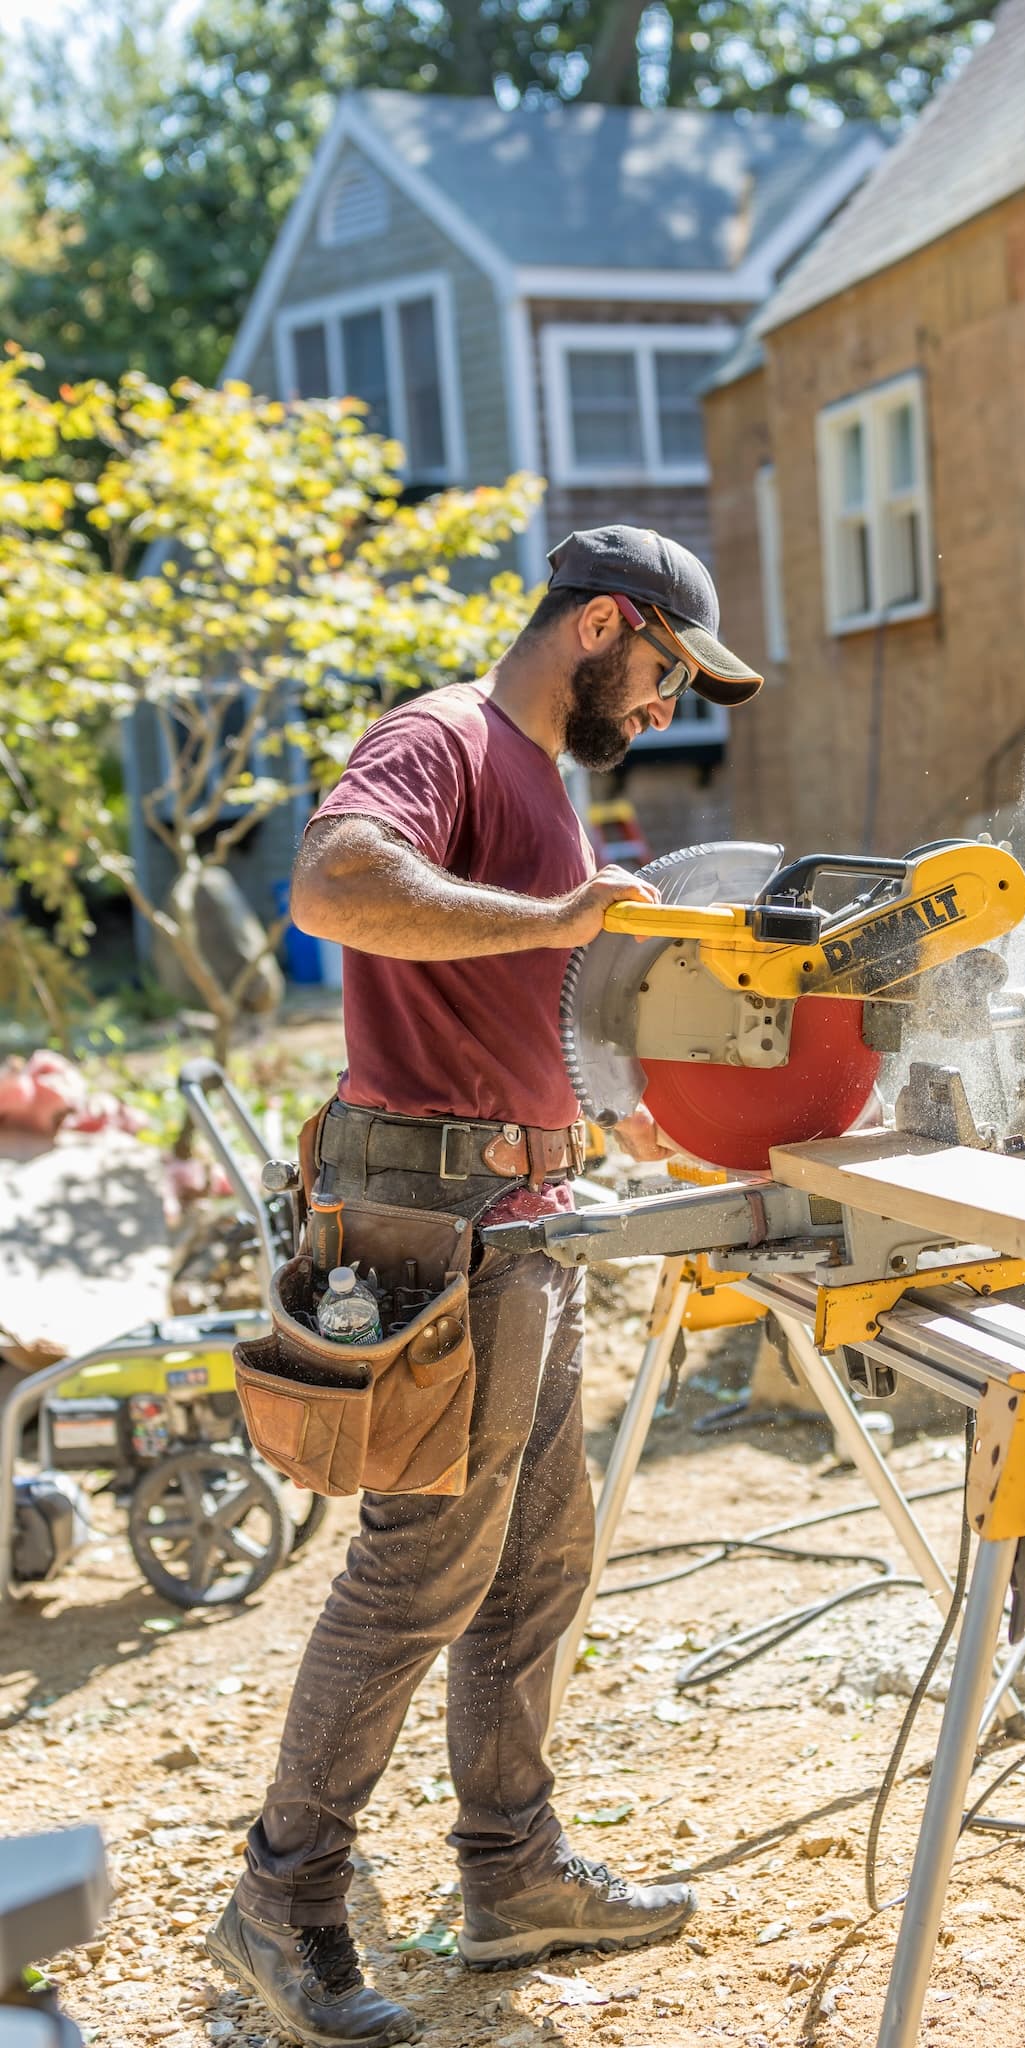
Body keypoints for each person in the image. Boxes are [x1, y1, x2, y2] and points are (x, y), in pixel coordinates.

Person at [207, 526, 763, 2046]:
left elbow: (505, 992)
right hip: (433, 1217)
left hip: (516, 1202)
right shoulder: (441, 737)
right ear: (598, 624)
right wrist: (551, 919)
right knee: (423, 1565)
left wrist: (589, 1100)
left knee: (537, 1556)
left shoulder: (544, 778)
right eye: (660, 673)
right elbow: (333, 886)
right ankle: (282, 1899)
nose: (661, 709)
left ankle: (509, 1874)